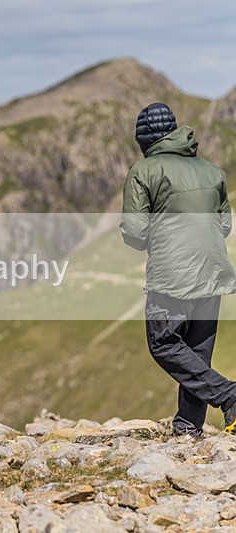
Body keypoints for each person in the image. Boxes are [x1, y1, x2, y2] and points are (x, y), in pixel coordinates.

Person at [121, 102, 236, 437]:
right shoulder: (213, 171)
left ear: (144, 141)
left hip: (172, 277)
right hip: (212, 273)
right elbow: (224, 226)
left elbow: (136, 233)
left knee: (164, 344)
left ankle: (229, 394)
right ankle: (188, 429)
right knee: (197, 351)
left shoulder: (144, 171)